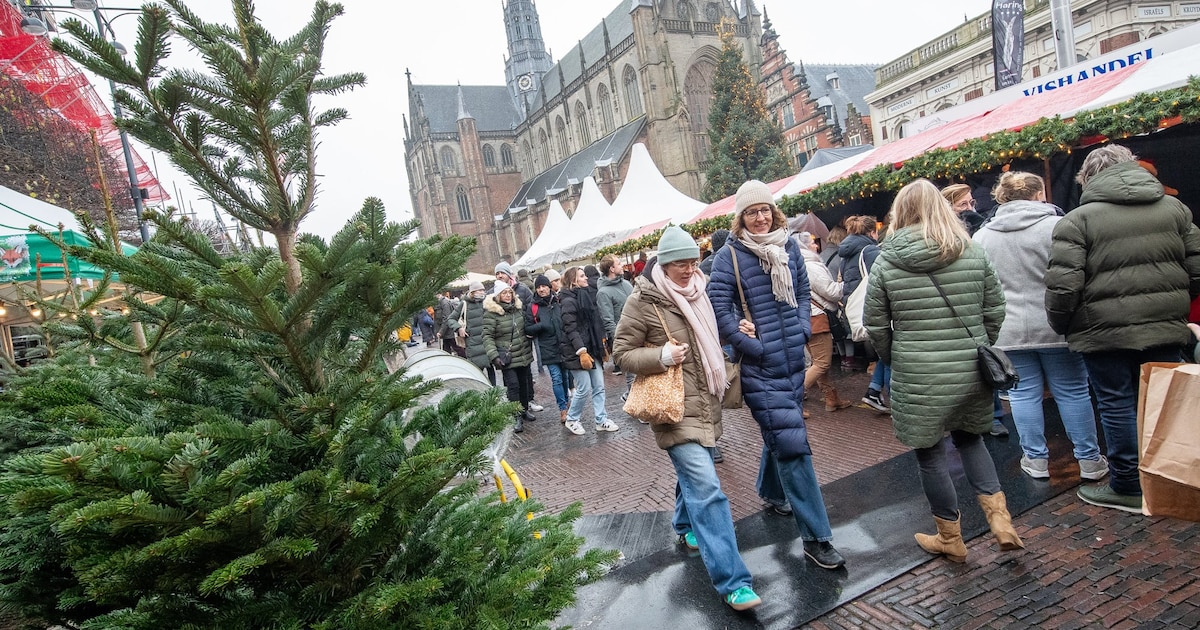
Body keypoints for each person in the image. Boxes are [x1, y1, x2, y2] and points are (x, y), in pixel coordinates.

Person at [864, 179, 1024, 562]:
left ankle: (950, 538)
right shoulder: (971, 251)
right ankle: (1001, 522)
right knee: (971, 441)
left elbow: (875, 325)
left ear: (901, 212)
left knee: (930, 454)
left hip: (917, 374)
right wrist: (979, 343)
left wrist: (894, 357)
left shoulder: (887, 261)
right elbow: (995, 307)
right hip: (969, 368)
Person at [613, 226, 762, 611]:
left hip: (706, 402)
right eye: (680, 263)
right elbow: (621, 354)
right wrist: (660, 356)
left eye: (693, 261)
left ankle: (683, 524)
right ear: (664, 263)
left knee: (697, 476)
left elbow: (713, 335)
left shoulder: (702, 289)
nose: (689, 269)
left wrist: (738, 330)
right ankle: (734, 582)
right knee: (708, 489)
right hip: (674, 410)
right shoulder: (643, 300)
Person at [1045, 145, 1200, 513]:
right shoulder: (1175, 210)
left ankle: (1128, 486)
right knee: (1163, 404)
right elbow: (1196, 269)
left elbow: (1064, 288)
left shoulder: (1076, 221)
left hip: (1102, 333)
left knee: (1116, 404)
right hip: (1164, 326)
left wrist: (1063, 324)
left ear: (1087, 178)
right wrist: (1174, 303)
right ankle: (1170, 478)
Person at [707, 179, 845, 571]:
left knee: (782, 432)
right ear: (740, 218)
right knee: (793, 446)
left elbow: (801, 291)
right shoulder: (729, 257)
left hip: (793, 361)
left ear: (774, 211)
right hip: (760, 368)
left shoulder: (789, 247)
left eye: (764, 209)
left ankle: (770, 490)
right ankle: (817, 538)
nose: (760, 217)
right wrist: (749, 343)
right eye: (752, 212)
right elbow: (720, 309)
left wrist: (801, 328)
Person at [974, 171, 1107, 480]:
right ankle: (1089, 460)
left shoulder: (982, 237)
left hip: (1009, 330)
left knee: (1022, 396)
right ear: (1038, 195)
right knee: (1073, 392)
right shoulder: (1058, 227)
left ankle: (1035, 460)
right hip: (1058, 324)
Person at [941, 185, 1010, 437]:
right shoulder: (941, 236)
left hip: (974, 308)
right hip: (950, 310)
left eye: (971, 203)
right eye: (962, 204)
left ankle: (993, 416)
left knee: (983, 360)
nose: (969, 209)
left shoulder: (981, 230)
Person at [794, 231, 854, 413]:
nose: (816, 246)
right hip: (817, 318)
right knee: (822, 363)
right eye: (812, 243)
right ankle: (793, 399)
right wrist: (845, 284)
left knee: (818, 361)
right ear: (804, 247)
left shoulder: (795, 264)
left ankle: (831, 398)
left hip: (805, 317)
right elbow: (831, 292)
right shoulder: (811, 265)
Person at [560, 266, 619, 435]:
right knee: (584, 388)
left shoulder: (586, 295)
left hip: (592, 348)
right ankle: (572, 419)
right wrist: (581, 351)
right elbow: (570, 329)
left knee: (599, 386)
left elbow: (595, 323)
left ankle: (601, 420)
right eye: (582, 276)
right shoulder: (568, 301)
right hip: (576, 352)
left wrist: (601, 343)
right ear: (573, 281)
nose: (586, 278)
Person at [839, 216, 888, 407]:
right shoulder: (870, 251)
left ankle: (874, 390)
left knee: (885, 354)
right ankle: (895, 400)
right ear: (872, 232)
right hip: (874, 308)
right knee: (890, 354)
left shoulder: (846, 255)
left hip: (857, 310)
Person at [482, 280, 536, 432]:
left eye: (509, 292)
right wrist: (494, 356)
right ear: (498, 295)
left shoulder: (518, 309)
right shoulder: (491, 314)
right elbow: (487, 336)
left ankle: (524, 409)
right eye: (504, 293)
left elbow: (526, 326)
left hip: (523, 353)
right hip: (507, 356)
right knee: (513, 385)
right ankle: (515, 415)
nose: (507, 295)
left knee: (524, 384)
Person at [526, 274, 571, 423]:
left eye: (544, 286)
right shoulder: (533, 307)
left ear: (549, 287)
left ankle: (567, 403)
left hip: (563, 345)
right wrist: (541, 325)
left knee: (565, 377)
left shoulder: (558, 301)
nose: (541, 289)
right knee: (556, 378)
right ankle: (562, 409)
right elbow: (527, 328)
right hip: (547, 347)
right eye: (538, 287)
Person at [450, 281, 496, 386]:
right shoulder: (464, 304)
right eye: (479, 290)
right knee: (477, 371)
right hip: (473, 344)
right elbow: (451, 319)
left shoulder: (487, 301)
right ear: (472, 292)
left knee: (491, 369)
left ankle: (494, 391)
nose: (482, 292)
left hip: (487, 341)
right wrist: (458, 328)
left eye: (483, 290)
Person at [596, 254, 634, 382]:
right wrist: (620, 339)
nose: (622, 265)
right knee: (632, 376)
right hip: (626, 339)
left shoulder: (627, 284)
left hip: (641, 333)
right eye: (618, 263)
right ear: (611, 269)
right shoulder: (603, 293)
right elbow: (608, 321)